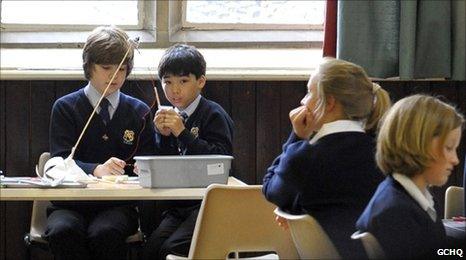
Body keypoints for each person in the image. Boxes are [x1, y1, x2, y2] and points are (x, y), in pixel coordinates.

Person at [44, 26, 156, 260]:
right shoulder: (66, 107)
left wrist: (140, 169)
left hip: (117, 205)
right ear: (89, 66)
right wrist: (96, 169)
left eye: (122, 69)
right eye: (106, 68)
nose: (115, 76)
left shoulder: (140, 111)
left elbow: (146, 164)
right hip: (70, 204)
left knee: (105, 233)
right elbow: (59, 160)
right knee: (63, 230)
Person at [262, 57, 391, 257]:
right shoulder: (387, 156)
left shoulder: (305, 158)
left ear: (329, 102)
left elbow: (271, 189)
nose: (303, 101)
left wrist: (297, 137)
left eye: (309, 92)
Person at [143, 44, 234, 260]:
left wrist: (182, 133)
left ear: (200, 81)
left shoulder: (213, 114)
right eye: (168, 82)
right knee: (150, 250)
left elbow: (220, 159)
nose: (174, 90)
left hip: (211, 204)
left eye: (183, 81)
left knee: (171, 250)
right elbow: (165, 166)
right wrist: (162, 136)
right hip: (179, 205)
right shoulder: (167, 116)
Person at [356, 94, 464, 258]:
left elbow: (438, 250)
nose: (455, 160)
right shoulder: (395, 214)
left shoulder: (412, 198)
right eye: (449, 148)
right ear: (418, 145)